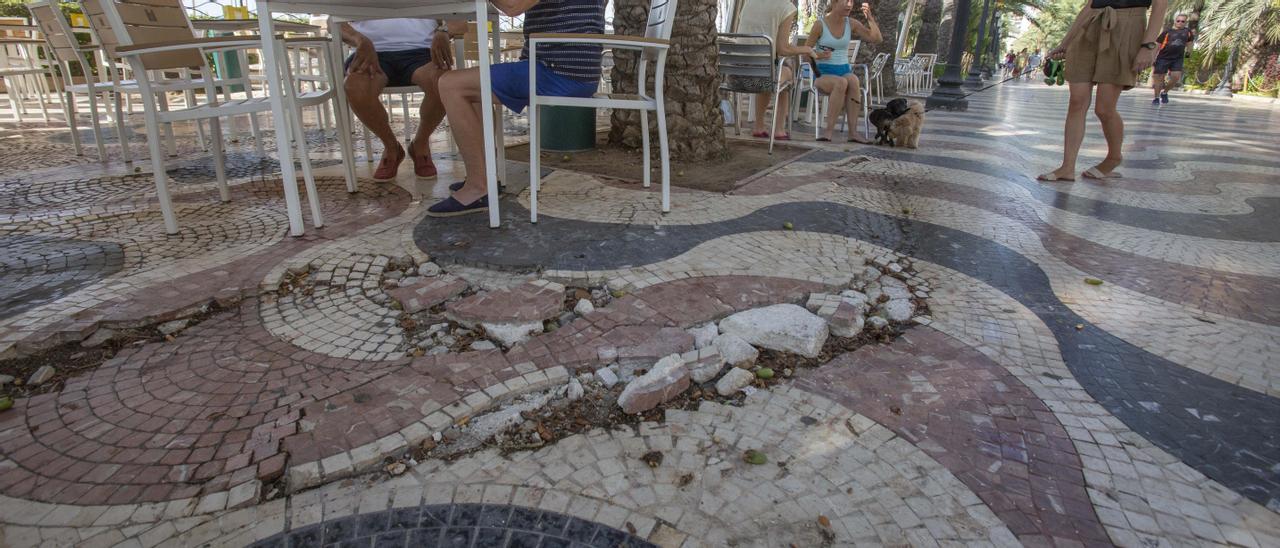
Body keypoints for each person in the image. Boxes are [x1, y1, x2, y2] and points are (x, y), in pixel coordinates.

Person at [429, 0, 606, 217]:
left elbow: (513, 6)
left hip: (559, 71)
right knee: (471, 92)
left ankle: (478, 188)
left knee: (451, 84)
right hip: (566, 67)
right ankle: (483, 178)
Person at [1037, 0, 1168, 182]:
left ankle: (1113, 157)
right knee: (1076, 101)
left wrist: (1148, 46)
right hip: (1090, 25)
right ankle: (1067, 167)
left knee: (1104, 108)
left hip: (1128, 25)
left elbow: (1160, 5)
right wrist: (1065, 43)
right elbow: (1091, 4)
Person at [341, 19, 452, 182]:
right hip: (371, 53)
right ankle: (391, 147)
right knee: (355, 86)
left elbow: (460, 19)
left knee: (445, 82)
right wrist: (360, 40)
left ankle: (420, 143)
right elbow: (334, 23)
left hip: (423, 52)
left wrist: (444, 30)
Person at [803, 0, 882, 142]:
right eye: (845, 1)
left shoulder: (851, 23)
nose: (849, 5)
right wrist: (819, 55)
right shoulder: (820, 25)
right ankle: (828, 132)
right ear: (834, 2)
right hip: (823, 74)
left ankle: (853, 133)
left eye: (851, 1)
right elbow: (805, 54)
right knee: (841, 82)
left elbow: (876, 39)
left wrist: (870, 18)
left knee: (853, 80)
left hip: (843, 70)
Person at [737, 0, 816, 141]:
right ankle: (779, 129)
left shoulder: (749, 2)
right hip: (764, 76)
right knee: (786, 72)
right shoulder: (786, 7)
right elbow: (783, 49)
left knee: (771, 69)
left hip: (737, 75)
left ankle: (759, 126)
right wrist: (806, 49)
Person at [1151, 13, 1194, 104]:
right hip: (1163, 58)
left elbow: (1190, 43)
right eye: (1178, 21)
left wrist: (1189, 53)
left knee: (1175, 77)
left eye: (1183, 21)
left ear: (1185, 22)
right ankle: (1156, 98)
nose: (1180, 23)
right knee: (1159, 78)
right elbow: (1158, 45)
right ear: (1175, 21)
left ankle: (1165, 92)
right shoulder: (1167, 32)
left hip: (1177, 59)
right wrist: (1153, 57)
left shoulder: (1188, 32)